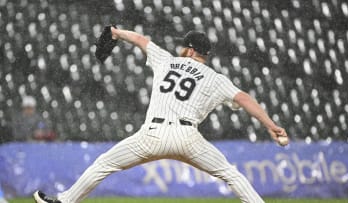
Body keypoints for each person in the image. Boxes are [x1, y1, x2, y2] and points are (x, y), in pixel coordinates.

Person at [34, 27, 288, 203]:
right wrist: (270, 125)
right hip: (188, 137)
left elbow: (140, 40)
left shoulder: (165, 60)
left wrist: (115, 32)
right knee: (231, 174)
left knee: (104, 164)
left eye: (182, 45)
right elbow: (243, 98)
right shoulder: (215, 78)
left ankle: (65, 201)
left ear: (189, 50)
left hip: (151, 135)